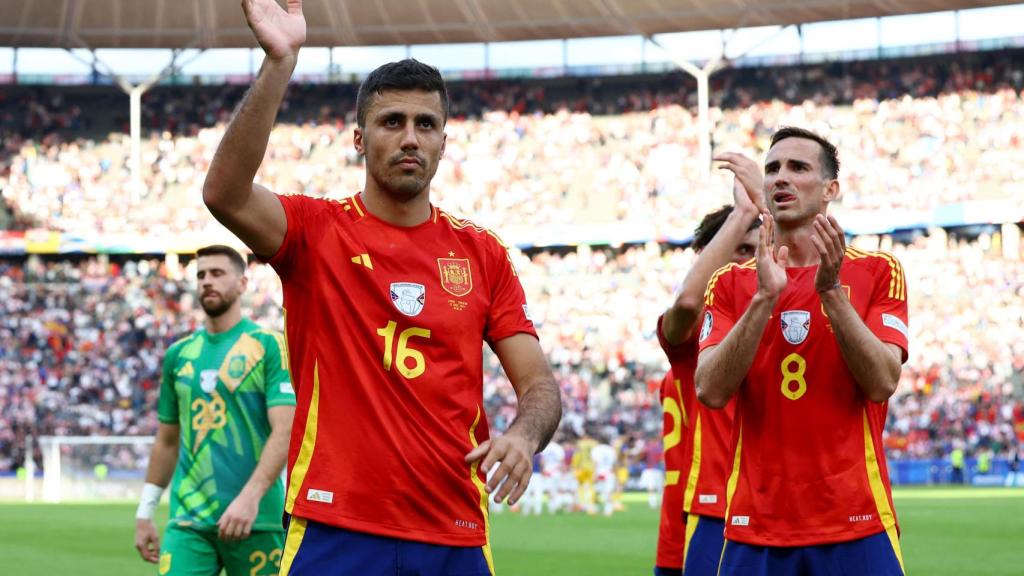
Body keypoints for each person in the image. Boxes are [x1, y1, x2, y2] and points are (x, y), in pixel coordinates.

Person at [202, 2, 562, 574]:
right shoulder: (316, 231)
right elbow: (224, 194)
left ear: (444, 142)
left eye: (426, 125)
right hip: (333, 524)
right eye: (392, 122)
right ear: (359, 138)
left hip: (453, 528)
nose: (410, 138)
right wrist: (279, 63)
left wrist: (523, 435)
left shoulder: (482, 253)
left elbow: (539, 384)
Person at [695, 127, 909, 575]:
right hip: (755, 526)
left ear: (830, 189)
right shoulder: (730, 282)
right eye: (772, 169)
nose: (780, 177)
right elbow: (710, 390)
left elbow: (882, 382)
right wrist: (763, 298)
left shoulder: (878, 271)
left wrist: (830, 291)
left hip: (857, 521)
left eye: (797, 167)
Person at [134, 245, 296, 576]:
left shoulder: (268, 346)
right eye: (201, 275)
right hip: (189, 520)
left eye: (218, 273)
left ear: (242, 284)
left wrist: (250, 498)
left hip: (257, 518)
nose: (207, 281)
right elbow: (167, 440)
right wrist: (145, 511)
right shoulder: (179, 354)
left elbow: (286, 429)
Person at [655, 163, 763, 576]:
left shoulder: (785, 318)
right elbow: (687, 303)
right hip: (715, 510)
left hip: (778, 509)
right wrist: (743, 213)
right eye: (740, 249)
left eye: (757, 250)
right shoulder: (697, 333)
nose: (750, 262)